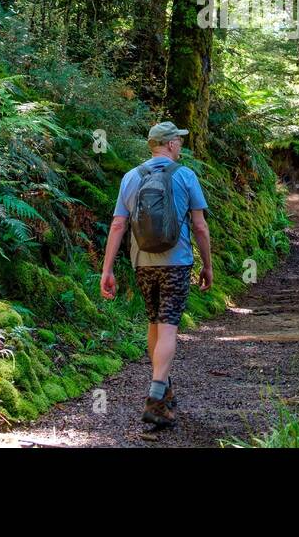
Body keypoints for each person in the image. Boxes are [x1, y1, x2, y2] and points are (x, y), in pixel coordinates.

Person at [99, 121, 212, 428]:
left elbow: (118, 226)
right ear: (170, 144)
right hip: (176, 262)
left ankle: (165, 391)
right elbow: (200, 226)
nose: (181, 145)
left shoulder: (130, 177)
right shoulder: (185, 176)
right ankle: (154, 398)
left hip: (142, 264)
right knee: (169, 327)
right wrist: (208, 265)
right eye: (179, 140)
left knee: (154, 323)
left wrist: (107, 269)